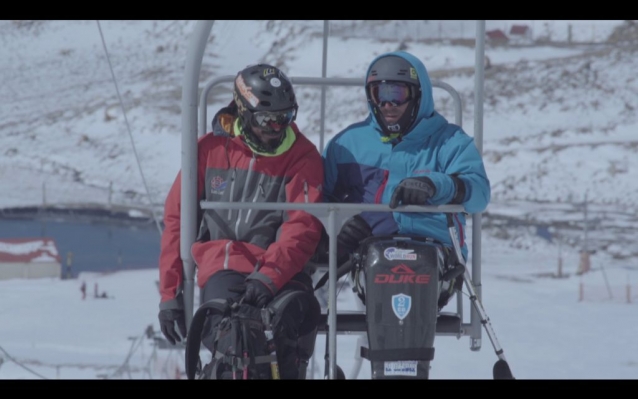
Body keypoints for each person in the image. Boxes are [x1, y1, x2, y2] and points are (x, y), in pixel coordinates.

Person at [157, 64, 324, 379]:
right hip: (225, 267)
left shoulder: (302, 157)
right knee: (235, 335)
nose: (277, 127)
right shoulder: (209, 150)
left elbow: (302, 227)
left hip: (282, 271)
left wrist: (268, 276)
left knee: (284, 327)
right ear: (243, 111)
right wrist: (170, 294)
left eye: (286, 117)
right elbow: (178, 219)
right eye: (267, 119)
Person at [322, 50, 491, 304]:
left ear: (417, 95)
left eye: (396, 95)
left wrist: (437, 186)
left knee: (397, 274)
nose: (388, 105)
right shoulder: (349, 144)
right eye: (380, 95)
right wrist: (341, 230)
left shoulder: (449, 142)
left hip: (433, 251)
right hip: (369, 250)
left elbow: (479, 193)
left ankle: (397, 341)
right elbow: (319, 199)